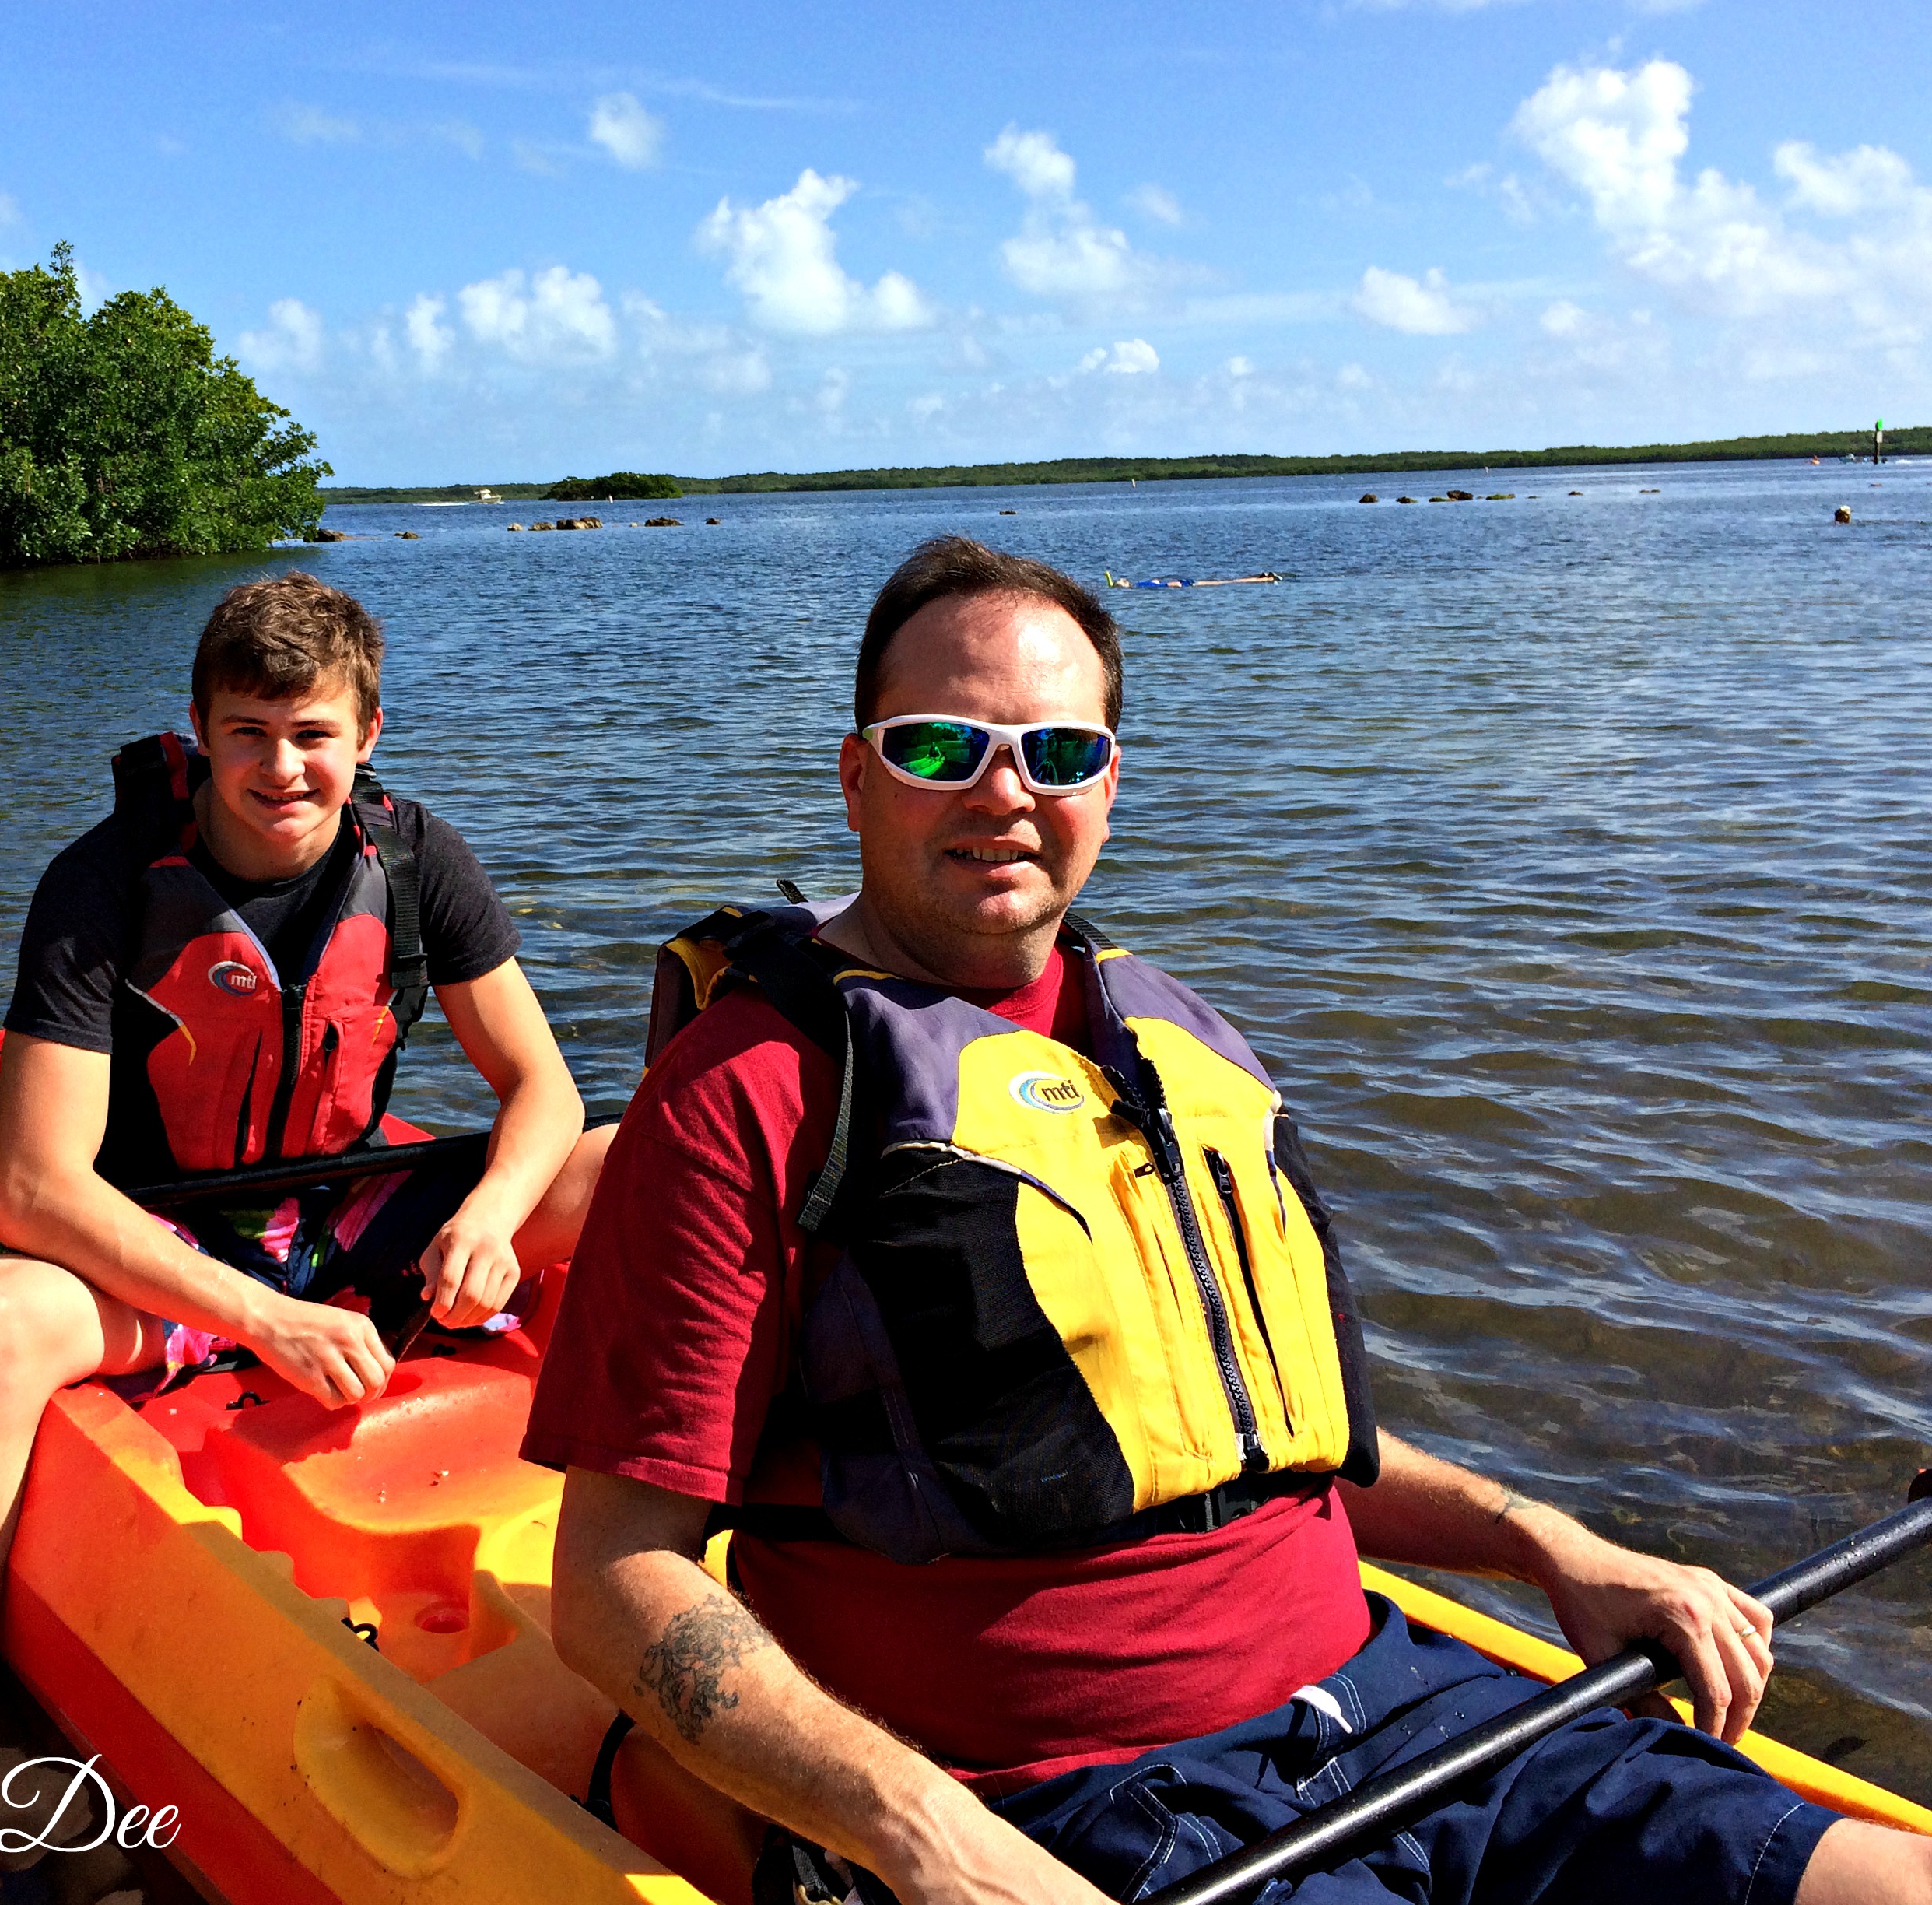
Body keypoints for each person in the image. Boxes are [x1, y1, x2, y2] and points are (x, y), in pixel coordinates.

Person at [523, 537, 1930, 1905]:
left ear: (1110, 789)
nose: (1005, 793)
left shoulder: (1173, 1042)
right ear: (856, 777)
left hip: (1406, 1718)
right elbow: (608, 1576)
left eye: (1058, 753)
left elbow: (1263, 1439)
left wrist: (1553, 1541)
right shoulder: (750, 1093)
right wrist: (932, 1838)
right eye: (942, 747)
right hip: (1064, 1803)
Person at [0, 571, 606, 1905]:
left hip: (351, 1220)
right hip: (162, 1245)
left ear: (368, 736)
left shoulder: (419, 859)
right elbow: (33, 1190)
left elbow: (546, 1092)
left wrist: (486, 1216)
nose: (281, 767)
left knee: (629, 1165)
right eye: (248, 732)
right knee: (3, 1317)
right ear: (198, 733)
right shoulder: (102, 882)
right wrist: (263, 1318)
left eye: (312, 733)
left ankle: (703, 1512)